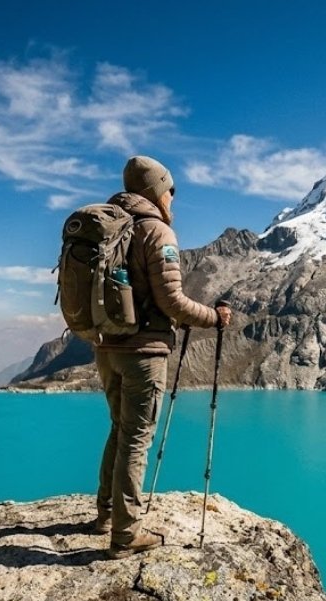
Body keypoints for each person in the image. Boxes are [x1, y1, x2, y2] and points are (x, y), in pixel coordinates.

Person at [94, 155, 232, 559]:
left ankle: (105, 513)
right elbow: (171, 301)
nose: (173, 198)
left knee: (119, 429)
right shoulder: (156, 232)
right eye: (171, 190)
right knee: (136, 439)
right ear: (156, 189)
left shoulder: (111, 227)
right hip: (143, 352)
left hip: (106, 347)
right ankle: (125, 535)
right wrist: (213, 318)